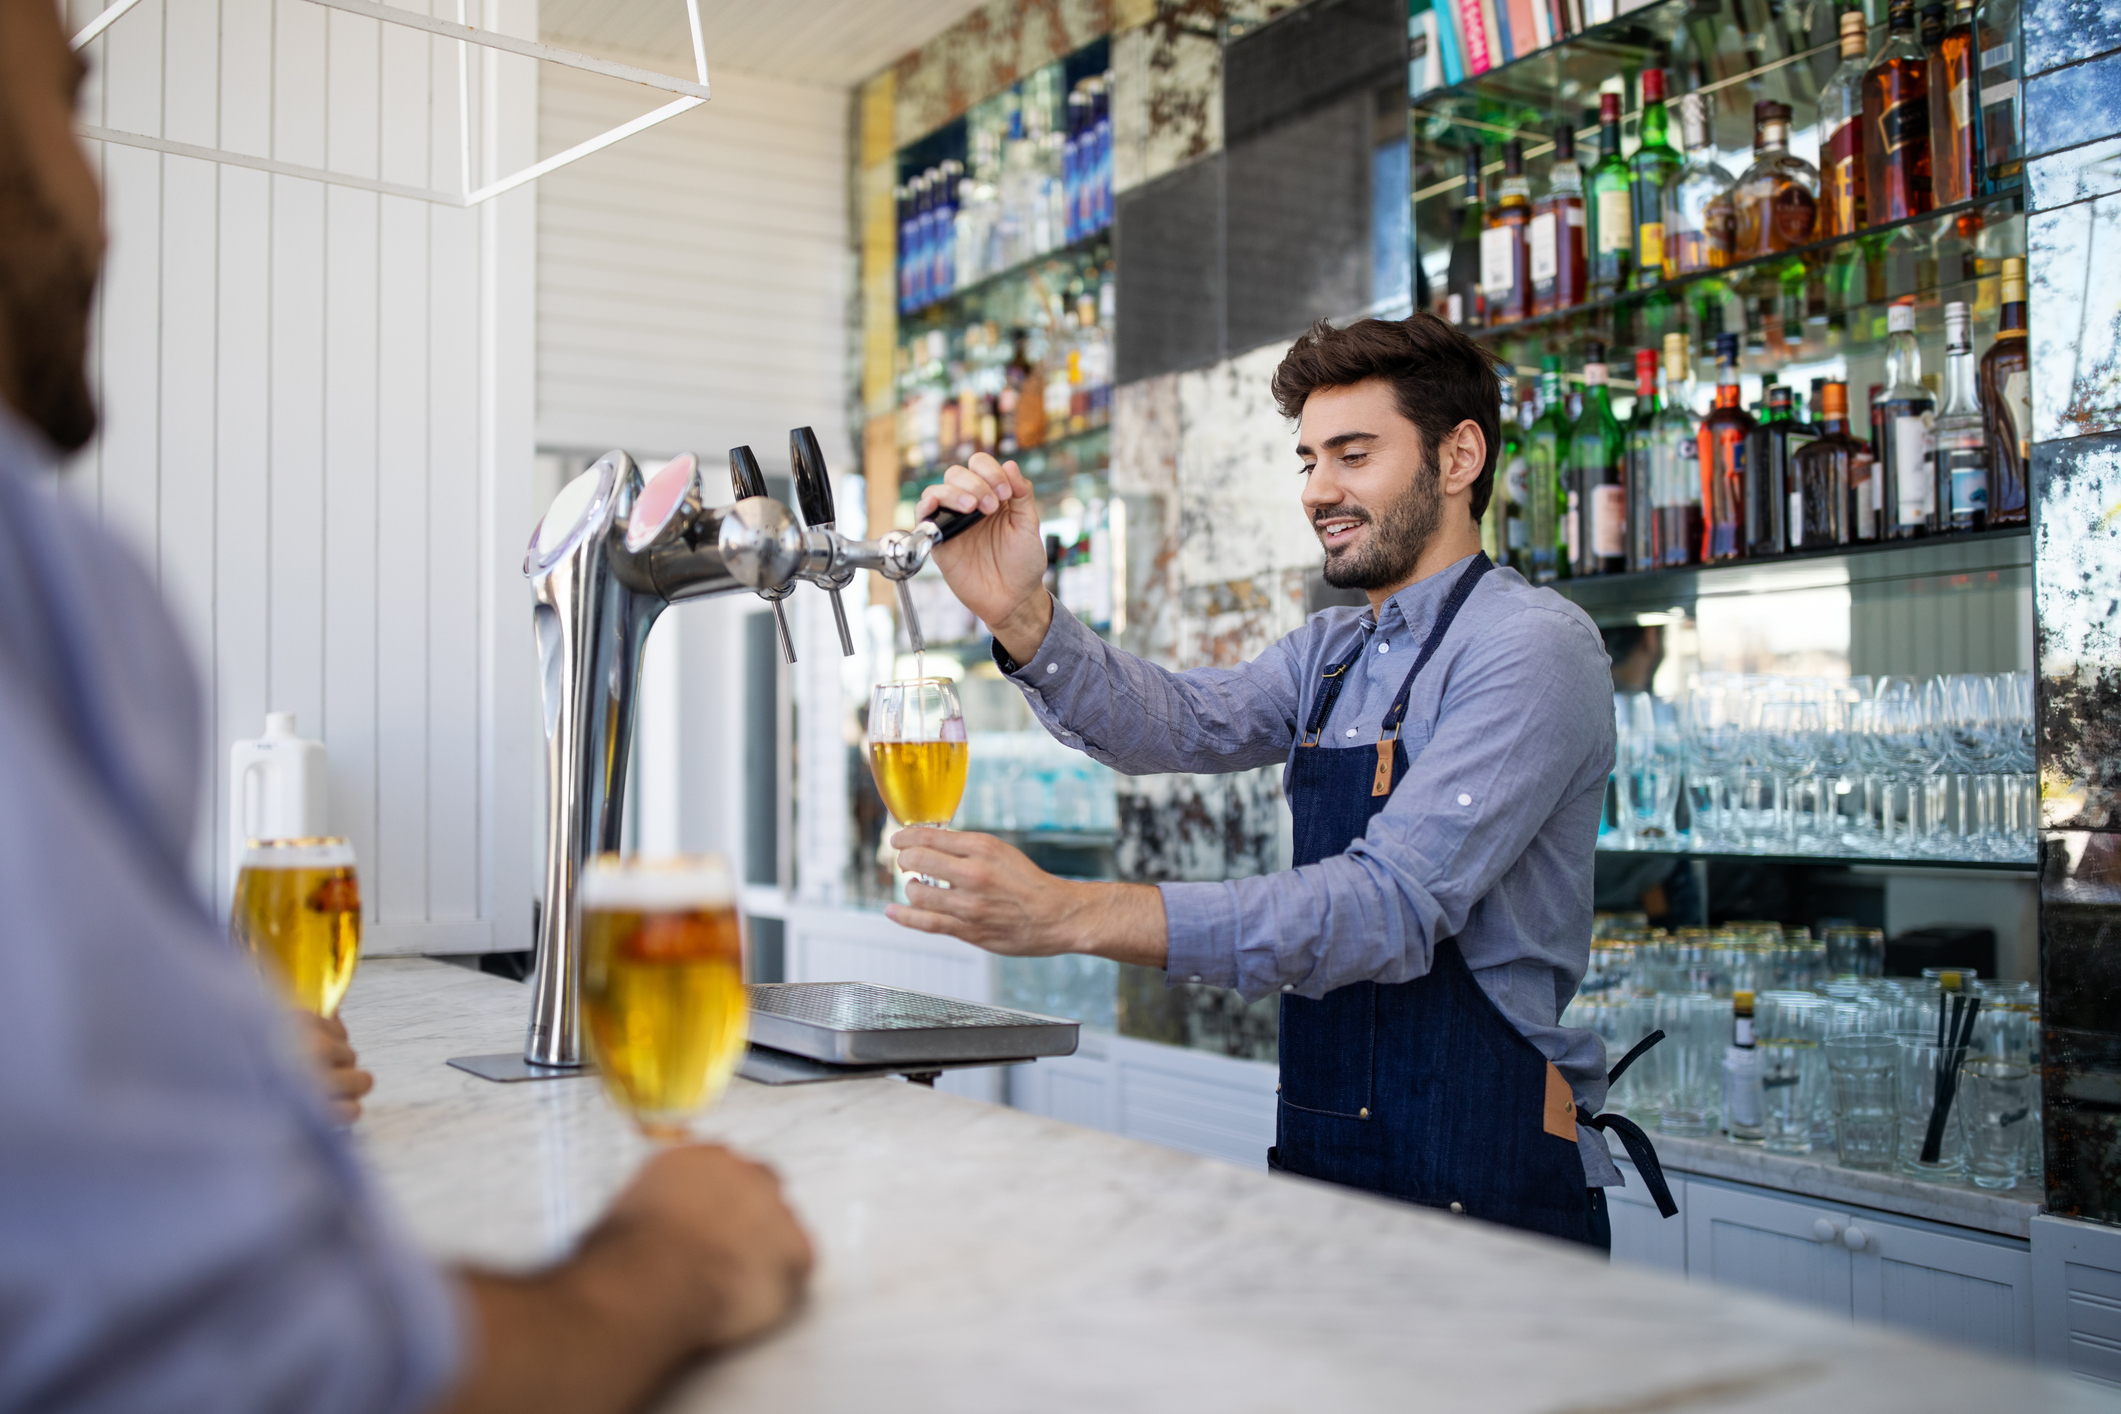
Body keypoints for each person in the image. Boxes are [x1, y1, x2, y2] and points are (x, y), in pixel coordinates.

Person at [0, 2, 811, 1409]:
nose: (101, 197)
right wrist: (663, 1261)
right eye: (67, 110)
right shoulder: (50, 580)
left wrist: (220, 1057)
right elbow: (241, 1360)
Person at [888, 314, 1674, 1248]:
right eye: (1307, 461)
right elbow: (1172, 724)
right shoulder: (1333, 653)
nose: (1319, 491)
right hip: (1327, 1155)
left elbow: (1386, 906)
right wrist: (1022, 614)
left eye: (1353, 454)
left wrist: (1071, 915)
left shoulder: (1531, 645)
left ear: (1459, 455)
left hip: (1486, 1176)